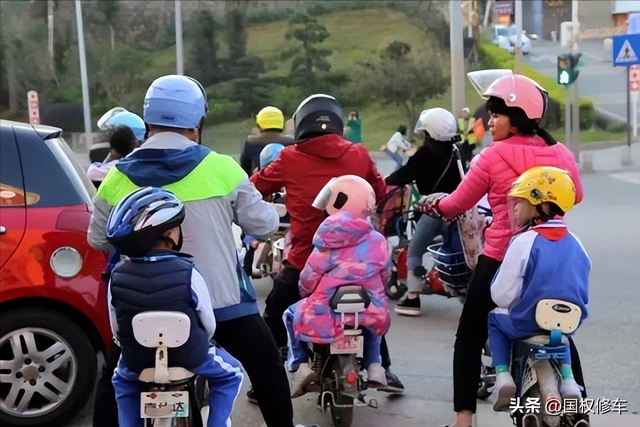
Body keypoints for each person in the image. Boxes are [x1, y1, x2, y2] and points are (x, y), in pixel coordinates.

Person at [88, 75, 315, 427]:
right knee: (265, 364)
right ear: (197, 122)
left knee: (113, 376)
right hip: (222, 306)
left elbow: (98, 239)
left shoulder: (117, 177)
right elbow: (264, 226)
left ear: (148, 121)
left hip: (142, 309)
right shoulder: (221, 168)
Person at [420, 72, 585, 427]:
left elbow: (458, 203)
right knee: (559, 330)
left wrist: (435, 206)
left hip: (499, 259)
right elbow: (578, 196)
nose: (489, 121)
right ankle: (578, 409)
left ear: (517, 117)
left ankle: (464, 417)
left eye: (496, 114)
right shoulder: (560, 153)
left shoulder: (491, 158)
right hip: (550, 257)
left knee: (469, 336)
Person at [251, 94, 405, 393]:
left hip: (305, 258)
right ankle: (383, 369)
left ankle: (269, 381)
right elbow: (380, 191)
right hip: (358, 260)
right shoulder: (358, 154)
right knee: (368, 309)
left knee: (274, 311)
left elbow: (255, 187)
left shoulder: (288, 157)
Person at [105, 187, 244, 427]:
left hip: (137, 358)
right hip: (191, 355)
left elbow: (116, 328)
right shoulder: (189, 272)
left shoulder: (117, 275)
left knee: (122, 383)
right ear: (169, 232)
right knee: (232, 374)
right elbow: (208, 323)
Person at [488, 167, 590, 411]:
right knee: (560, 332)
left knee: (494, 319)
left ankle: (502, 375)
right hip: (568, 320)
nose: (514, 207)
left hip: (528, 322)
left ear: (540, 205)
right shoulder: (577, 243)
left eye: (520, 201)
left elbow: (502, 296)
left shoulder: (524, 241)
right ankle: (569, 380)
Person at [283, 175, 391, 397]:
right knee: (371, 323)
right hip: (367, 306)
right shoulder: (379, 241)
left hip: (327, 311)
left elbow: (308, 278)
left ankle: (300, 365)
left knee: (290, 314)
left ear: (339, 202)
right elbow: (386, 275)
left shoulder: (327, 241)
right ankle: (374, 366)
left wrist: (305, 292)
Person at [385, 108, 463, 316]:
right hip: (459, 210)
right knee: (457, 251)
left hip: (435, 211)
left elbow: (403, 175)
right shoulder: (457, 150)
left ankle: (412, 298)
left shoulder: (425, 154)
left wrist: (384, 181)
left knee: (416, 251)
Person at [239, 106, 294, 176]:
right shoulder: (291, 143)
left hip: (258, 184)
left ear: (259, 124)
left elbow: (244, 170)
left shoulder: (251, 143)